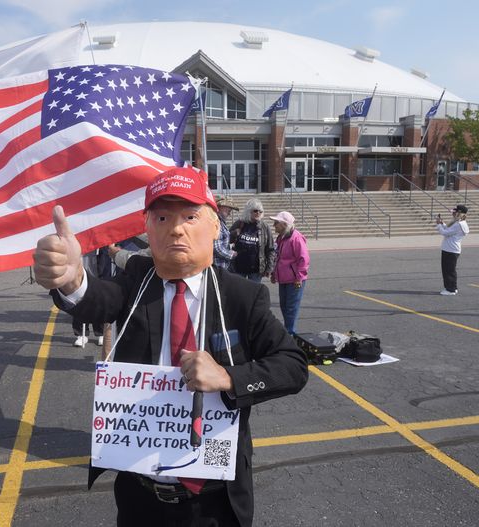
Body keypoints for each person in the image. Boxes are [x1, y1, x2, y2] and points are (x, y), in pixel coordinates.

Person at [33, 166, 308, 527]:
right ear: (147, 228)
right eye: (162, 217)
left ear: (214, 227)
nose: (176, 228)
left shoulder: (243, 296)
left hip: (216, 502)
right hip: (140, 499)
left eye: (190, 217)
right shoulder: (135, 279)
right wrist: (72, 280)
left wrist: (229, 377)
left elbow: (293, 366)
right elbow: (98, 299)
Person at [269, 211, 309, 335]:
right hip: (284, 279)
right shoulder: (281, 238)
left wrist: (299, 277)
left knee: (291, 308)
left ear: (284, 224)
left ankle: (290, 333)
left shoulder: (296, 238)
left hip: (294, 280)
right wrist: (274, 273)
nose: (274, 225)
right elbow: (278, 257)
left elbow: (304, 259)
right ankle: (288, 332)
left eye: (276, 223)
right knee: (284, 306)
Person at [72, 248, 112, 345]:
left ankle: (100, 333)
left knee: (98, 305)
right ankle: (81, 334)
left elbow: (105, 257)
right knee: (79, 303)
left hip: (98, 275)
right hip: (79, 273)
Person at [229, 198, 275, 282]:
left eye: (260, 211)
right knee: (239, 293)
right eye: (255, 211)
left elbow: (270, 249)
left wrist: (269, 268)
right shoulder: (240, 223)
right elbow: (226, 240)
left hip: (256, 270)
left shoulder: (264, 226)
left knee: (253, 294)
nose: (258, 213)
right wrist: (234, 233)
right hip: (238, 268)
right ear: (248, 211)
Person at [436, 204, 469, 296]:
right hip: (451, 248)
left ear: (459, 213)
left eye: (454, 213)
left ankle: (450, 289)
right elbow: (447, 229)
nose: (453, 214)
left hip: (451, 249)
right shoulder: (459, 223)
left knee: (448, 270)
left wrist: (439, 225)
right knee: (449, 270)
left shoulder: (459, 224)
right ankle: (452, 287)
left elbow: (445, 233)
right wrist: (442, 223)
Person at [213, 196, 238, 269]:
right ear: (220, 207)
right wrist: (232, 254)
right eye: (228, 210)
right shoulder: (216, 223)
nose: (229, 213)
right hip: (218, 267)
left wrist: (230, 246)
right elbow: (217, 248)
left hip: (220, 266)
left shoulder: (220, 222)